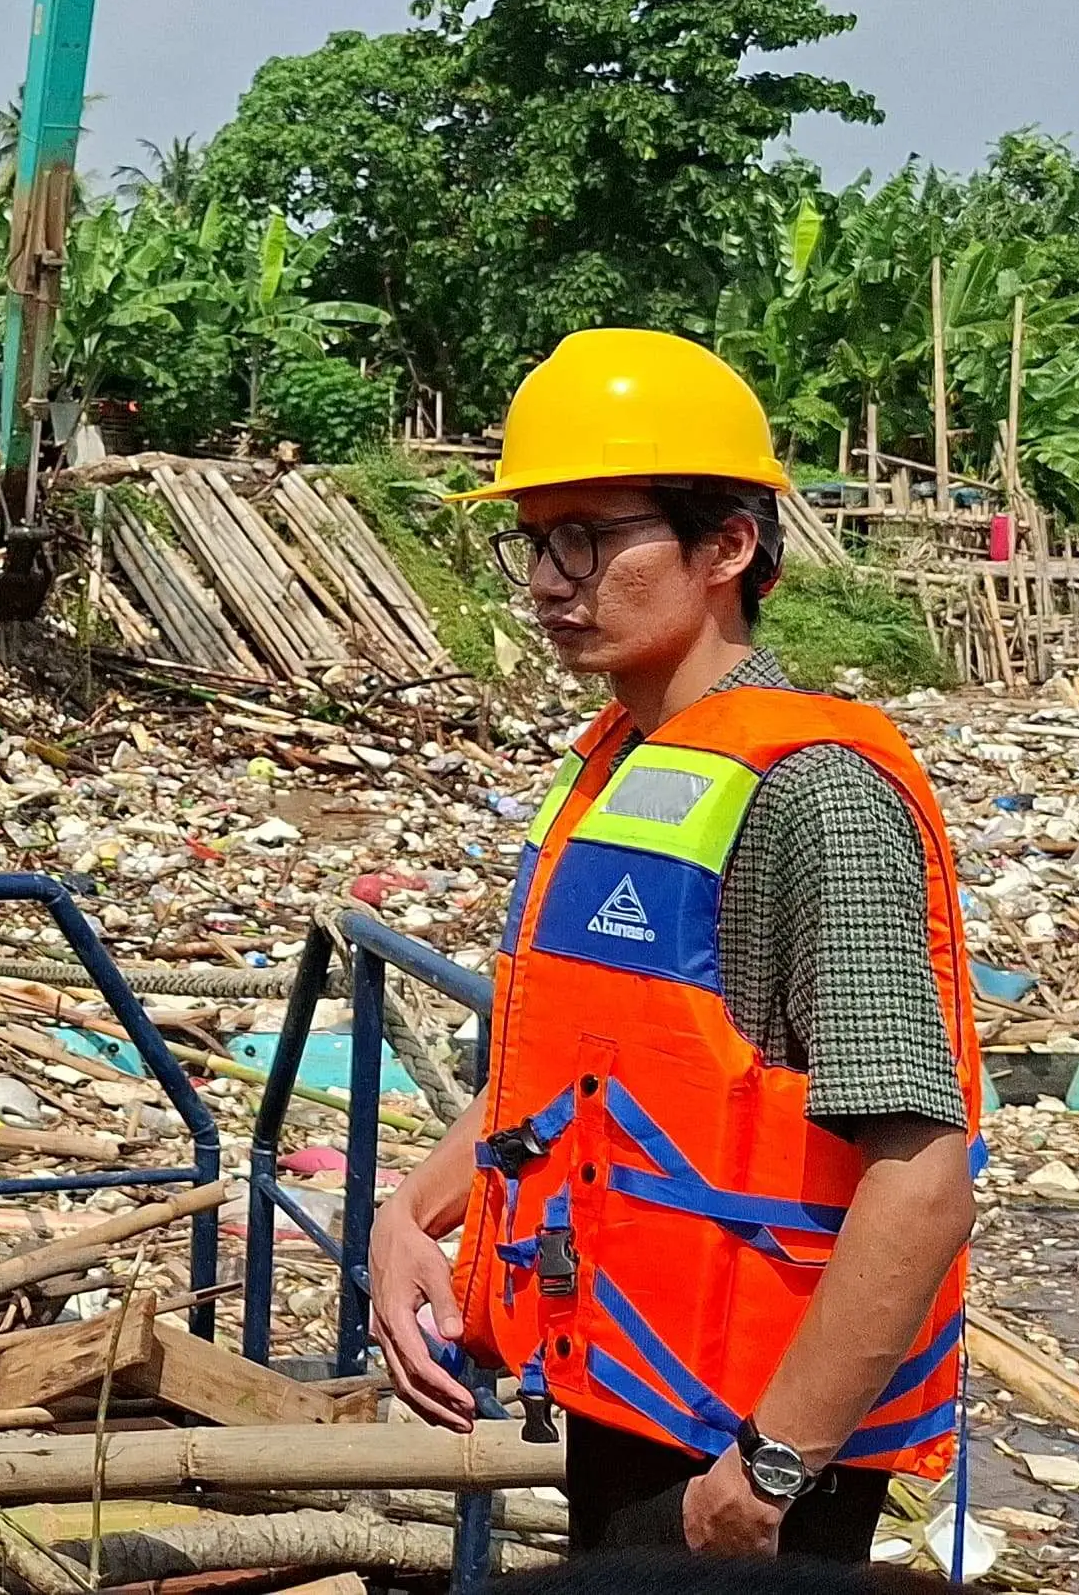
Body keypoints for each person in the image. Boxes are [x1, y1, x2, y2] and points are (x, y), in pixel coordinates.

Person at [364, 330, 981, 1565]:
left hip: (746, 1454)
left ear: (727, 545)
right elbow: (579, 1073)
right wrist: (411, 1214)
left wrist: (771, 1464)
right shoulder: (619, 762)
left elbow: (921, 1170)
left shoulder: (814, 796)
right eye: (535, 539)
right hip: (624, 1389)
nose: (549, 577)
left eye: (590, 536)